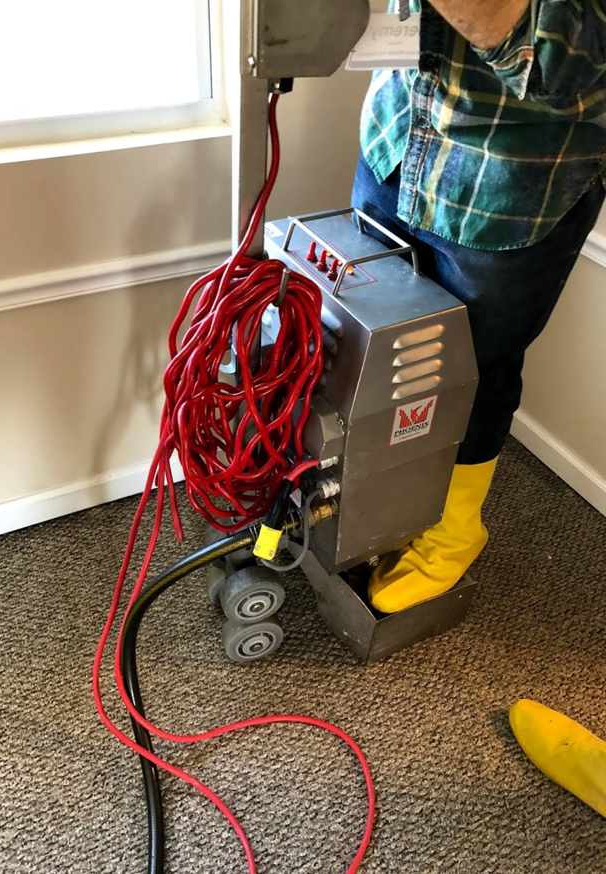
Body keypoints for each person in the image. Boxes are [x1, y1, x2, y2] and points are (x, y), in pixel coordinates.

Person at [351, 0, 606, 817]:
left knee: (473, 369)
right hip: (401, 135)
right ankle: (363, 514)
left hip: (507, 181)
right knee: (365, 352)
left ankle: (451, 536)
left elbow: (560, 63)